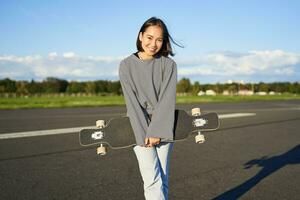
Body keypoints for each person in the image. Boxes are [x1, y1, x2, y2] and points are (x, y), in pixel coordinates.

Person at [119, 17, 182, 200]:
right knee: (152, 181)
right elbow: (131, 103)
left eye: (159, 39)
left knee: (163, 179)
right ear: (140, 36)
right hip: (139, 127)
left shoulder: (169, 65)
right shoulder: (126, 65)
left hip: (163, 126)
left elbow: (167, 100)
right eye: (149, 37)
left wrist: (157, 130)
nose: (153, 44)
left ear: (164, 42)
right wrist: (143, 134)